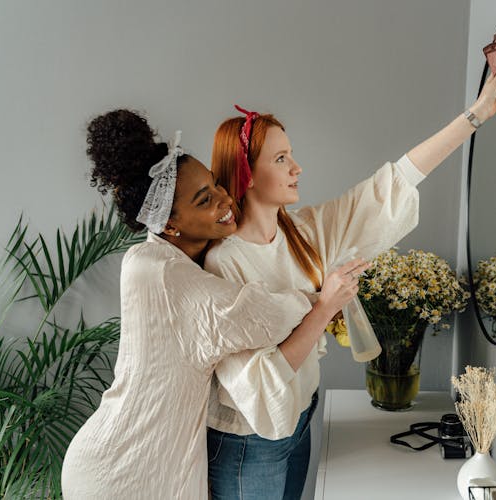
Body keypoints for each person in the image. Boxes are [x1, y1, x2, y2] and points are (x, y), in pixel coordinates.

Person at [203, 64, 496, 499]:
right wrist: (324, 307)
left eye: (291, 154)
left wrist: (477, 114)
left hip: (299, 418)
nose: (297, 167)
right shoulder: (223, 264)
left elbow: (391, 186)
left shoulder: (304, 233)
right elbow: (257, 383)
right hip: (248, 444)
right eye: (281, 158)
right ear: (246, 173)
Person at [60, 109, 368, 499]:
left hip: (163, 459)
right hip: (118, 467)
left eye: (215, 185)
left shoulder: (180, 259)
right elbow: (260, 317)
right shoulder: (156, 270)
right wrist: (320, 299)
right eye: (205, 199)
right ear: (170, 225)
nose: (225, 199)